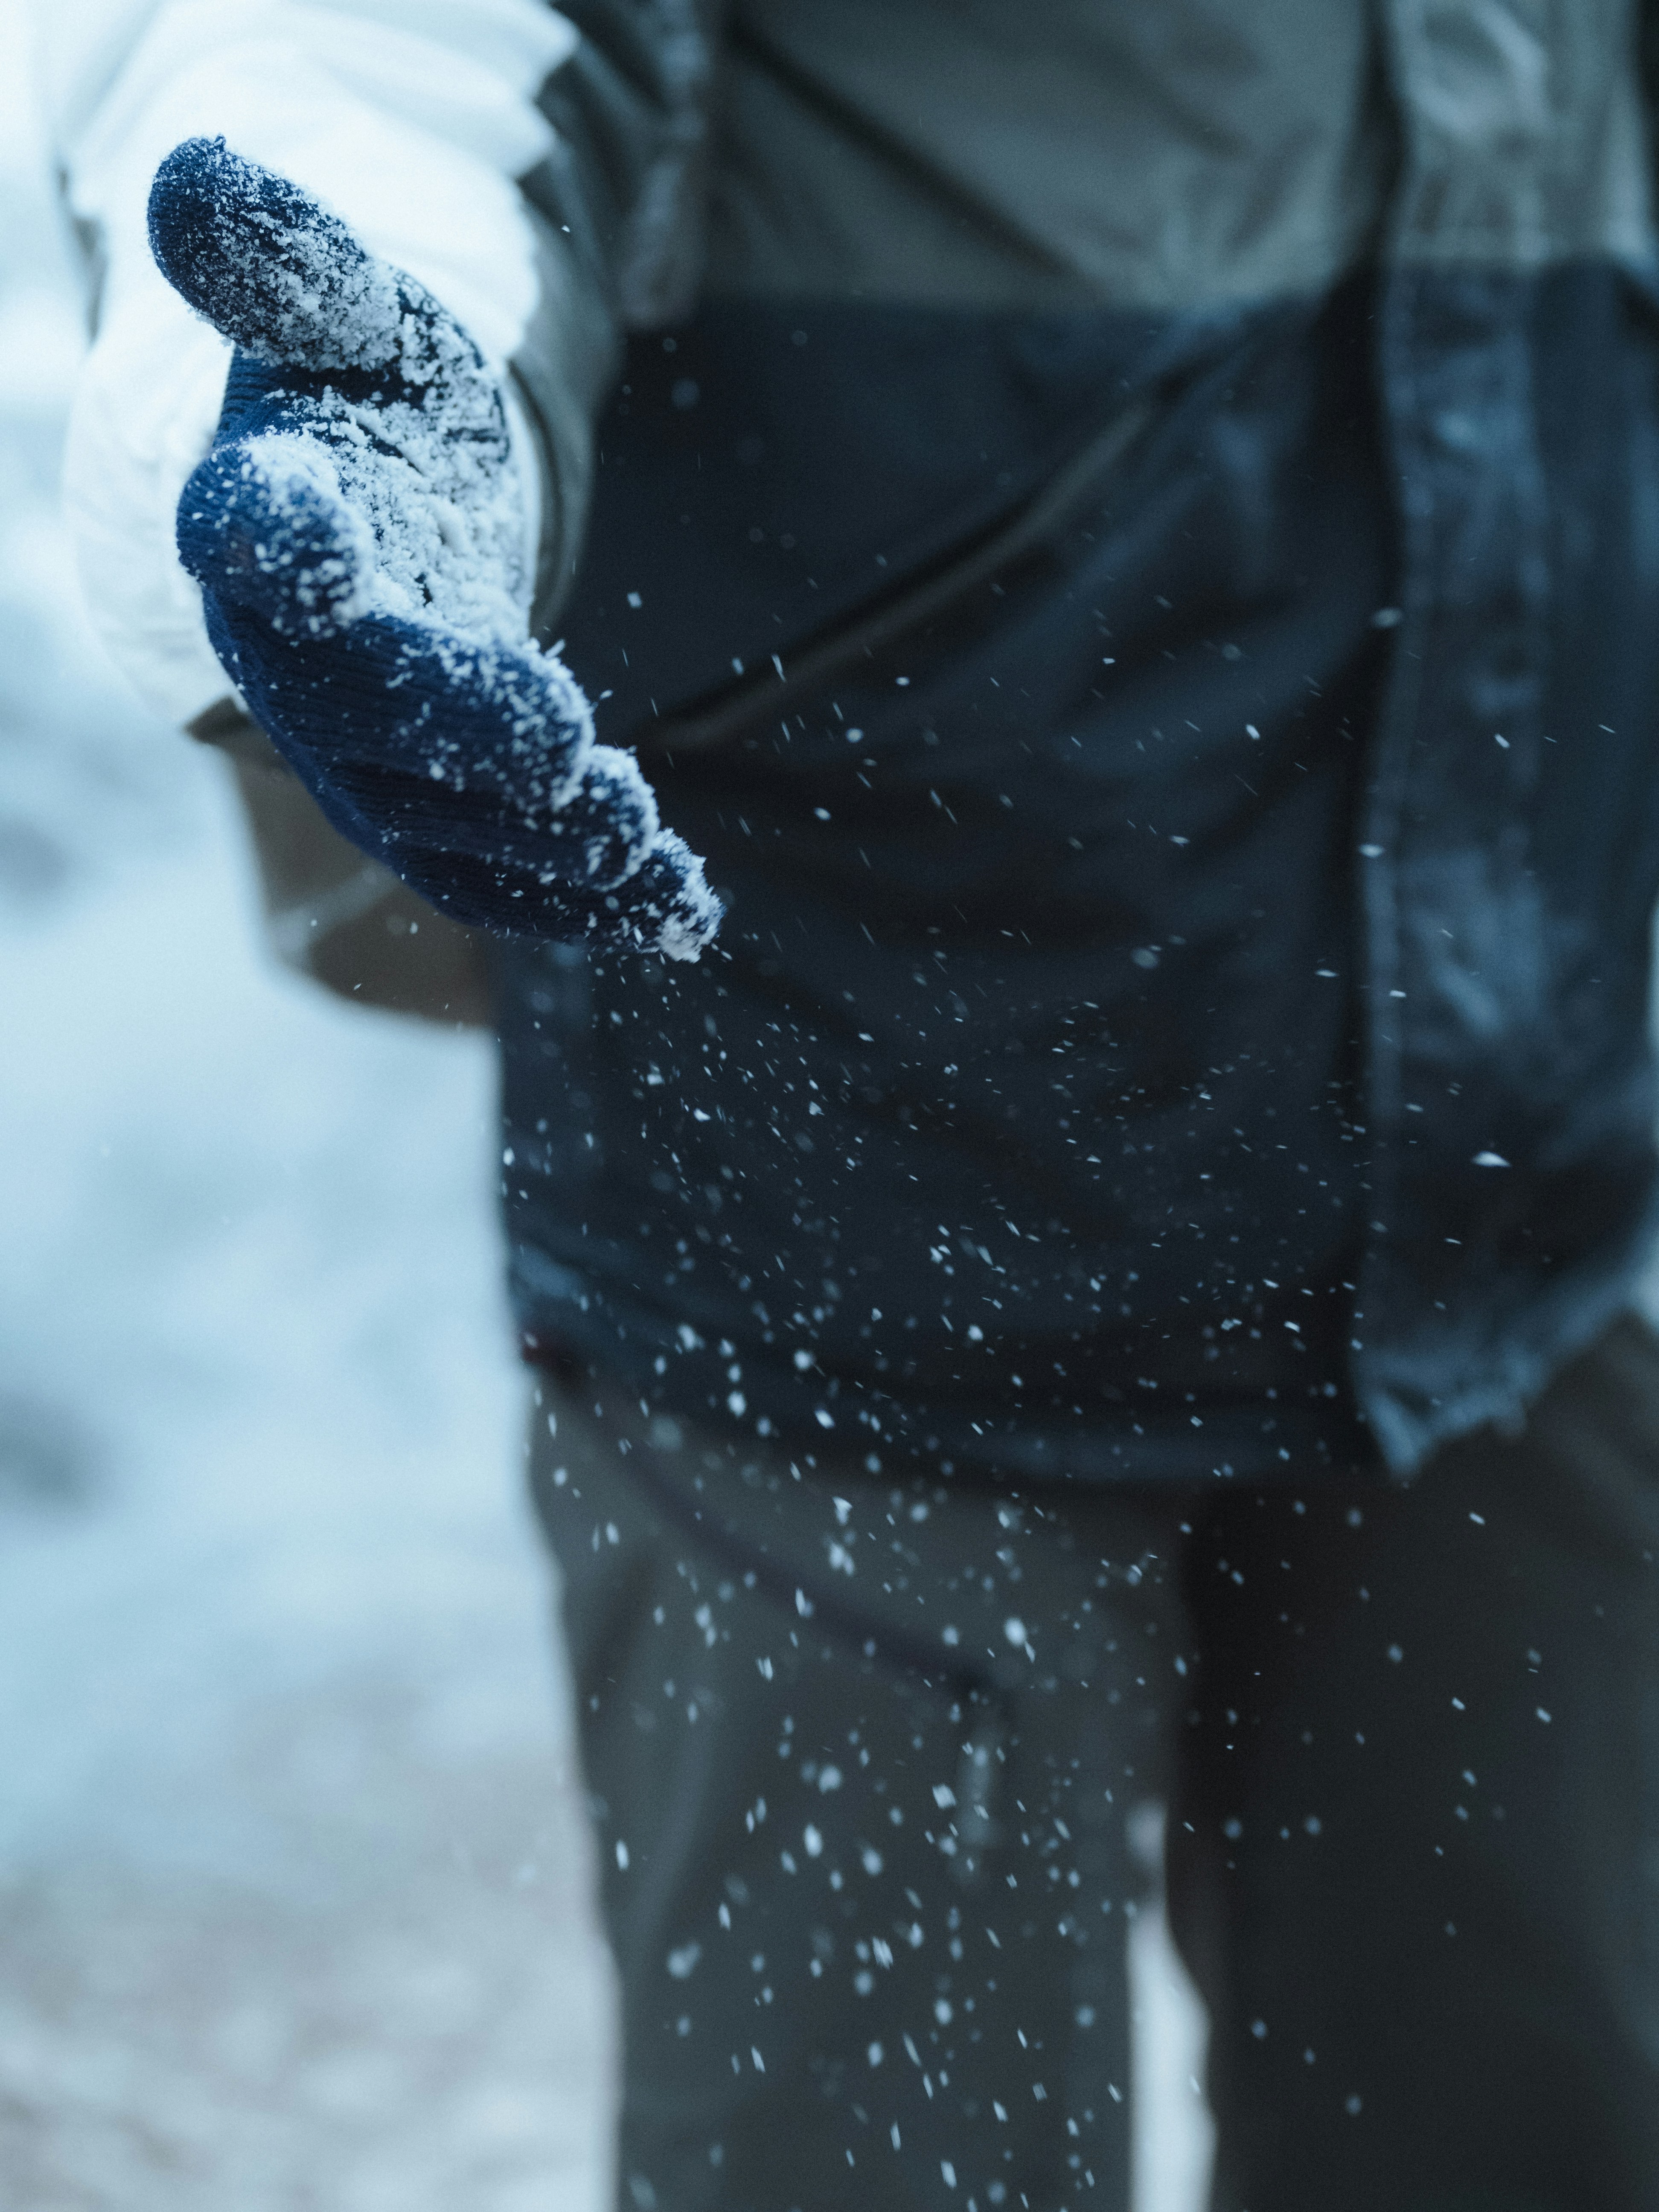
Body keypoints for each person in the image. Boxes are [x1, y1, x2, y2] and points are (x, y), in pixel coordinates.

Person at [36, 3, 1659, 2205]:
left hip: (1525, 1183)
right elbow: (358, 57)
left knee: (1541, 2131)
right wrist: (351, 416)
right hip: (840, 1196)